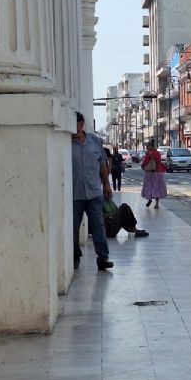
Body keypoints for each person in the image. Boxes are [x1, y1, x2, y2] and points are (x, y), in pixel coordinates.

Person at [72, 111, 113, 271]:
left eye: (75, 124)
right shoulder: (65, 142)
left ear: (81, 124)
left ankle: (103, 258)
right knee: (73, 228)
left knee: (98, 226)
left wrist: (107, 184)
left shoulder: (95, 141)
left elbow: (102, 164)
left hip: (94, 192)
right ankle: (75, 256)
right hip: (75, 194)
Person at [141, 139, 168, 208]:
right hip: (158, 172)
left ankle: (149, 199)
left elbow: (146, 162)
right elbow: (159, 162)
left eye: (147, 146)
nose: (146, 148)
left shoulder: (149, 153)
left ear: (150, 146)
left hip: (150, 172)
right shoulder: (158, 153)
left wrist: (142, 166)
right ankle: (157, 204)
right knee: (157, 188)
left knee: (149, 186)